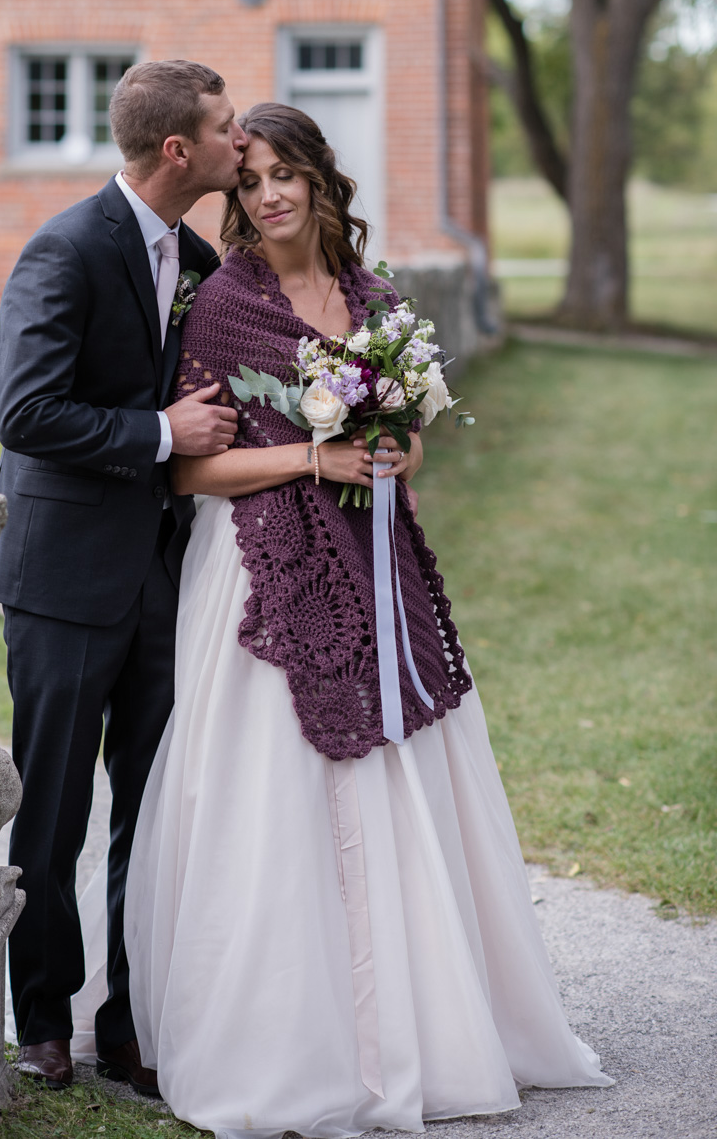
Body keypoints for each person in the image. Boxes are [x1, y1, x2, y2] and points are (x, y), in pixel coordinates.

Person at [118, 102, 614, 1136]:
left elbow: (410, 442)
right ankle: (285, 1034)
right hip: (260, 573)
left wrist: (389, 454)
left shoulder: (377, 302)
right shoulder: (221, 308)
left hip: (375, 561)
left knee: (400, 769)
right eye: (249, 181)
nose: (269, 195)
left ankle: (418, 1017)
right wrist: (314, 455)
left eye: (285, 173)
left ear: (322, 180)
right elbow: (191, 469)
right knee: (273, 796)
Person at [0, 60, 247, 1096]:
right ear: (178, 149)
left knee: (153, 804)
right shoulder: (67, 246)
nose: (238, 143)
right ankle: (42, 1017)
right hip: (63, 575)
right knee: (51, 810)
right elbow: (25, 412)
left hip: (166, 573)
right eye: (224, 129)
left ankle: (128, 1020)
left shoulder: (205, 256)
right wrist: (156, 431)